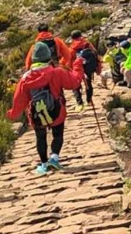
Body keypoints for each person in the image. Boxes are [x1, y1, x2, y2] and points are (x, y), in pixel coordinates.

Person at [8, 42, 83, 175]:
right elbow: (74, 82)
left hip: (37, 115)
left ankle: (43, 164)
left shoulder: (25, 78)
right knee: (58, 135)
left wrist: (12, 115)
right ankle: (54, 158)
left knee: (40, 137)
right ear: (48, 56)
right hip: (57, 112)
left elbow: (19, 100)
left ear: (33, 59)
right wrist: (77, 65)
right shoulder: (56, 72)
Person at [68, 30, 100, 104]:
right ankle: (89, 100)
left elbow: (69, 59)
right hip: (88, 67)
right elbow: (95, 53)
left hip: (76, 68)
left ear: (72, 38)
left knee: (76, 84)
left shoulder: (71, 48)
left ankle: (79, 102)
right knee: (88, 83)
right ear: (80, 35)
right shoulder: (87, 44)